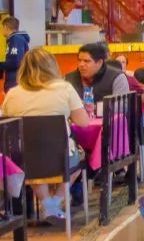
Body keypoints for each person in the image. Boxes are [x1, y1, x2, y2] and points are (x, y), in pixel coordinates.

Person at [3, 48, 89, 221]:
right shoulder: (64, 88)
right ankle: (54, 202)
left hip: (23, 160)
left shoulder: (12, 94)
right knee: (80, 157)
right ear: (52, 67)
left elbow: (5, 124)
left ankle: (45, 201)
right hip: (60, 157)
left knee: (32, 159)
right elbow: (83, 122)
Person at [65, 42, 129, 105]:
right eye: (79, 60)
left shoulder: (117, 77)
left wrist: (96, 108)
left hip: (105, 115)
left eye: (86, 61)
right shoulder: (69, 79)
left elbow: (120, 107)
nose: (81, 64)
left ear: (99, 62)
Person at [0, 16, 30, 91]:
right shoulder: (14, 39)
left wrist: (1, 65)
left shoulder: (15, 39)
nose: (1, 30)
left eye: (2, 27)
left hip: (15, 81)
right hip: (15, 80)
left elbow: (15, 62)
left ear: (6, 27)